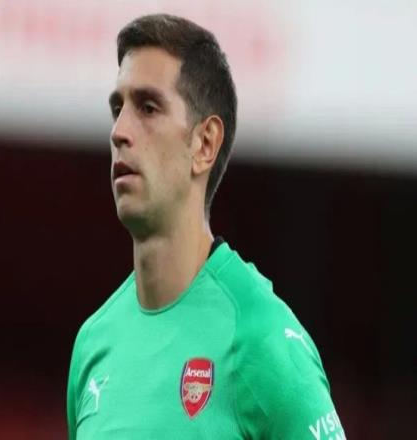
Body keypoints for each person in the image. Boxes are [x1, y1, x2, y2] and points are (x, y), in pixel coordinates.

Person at [67, 13, 345, 439]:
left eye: (148, 108)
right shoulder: (94, 344)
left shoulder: (261, 337)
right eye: (117, 109)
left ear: (205, 144)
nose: (119, 132)